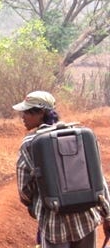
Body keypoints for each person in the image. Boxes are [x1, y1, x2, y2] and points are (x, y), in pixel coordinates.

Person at [14, 90, 110, 248]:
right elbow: (98, 179)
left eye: (27, 112)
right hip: (86, 220)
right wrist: (107, 215)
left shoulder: (30, 144)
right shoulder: (82, 136)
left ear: (41, 113)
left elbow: (25, 189)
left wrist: (33, 206)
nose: (23, 117)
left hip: (53, 222)